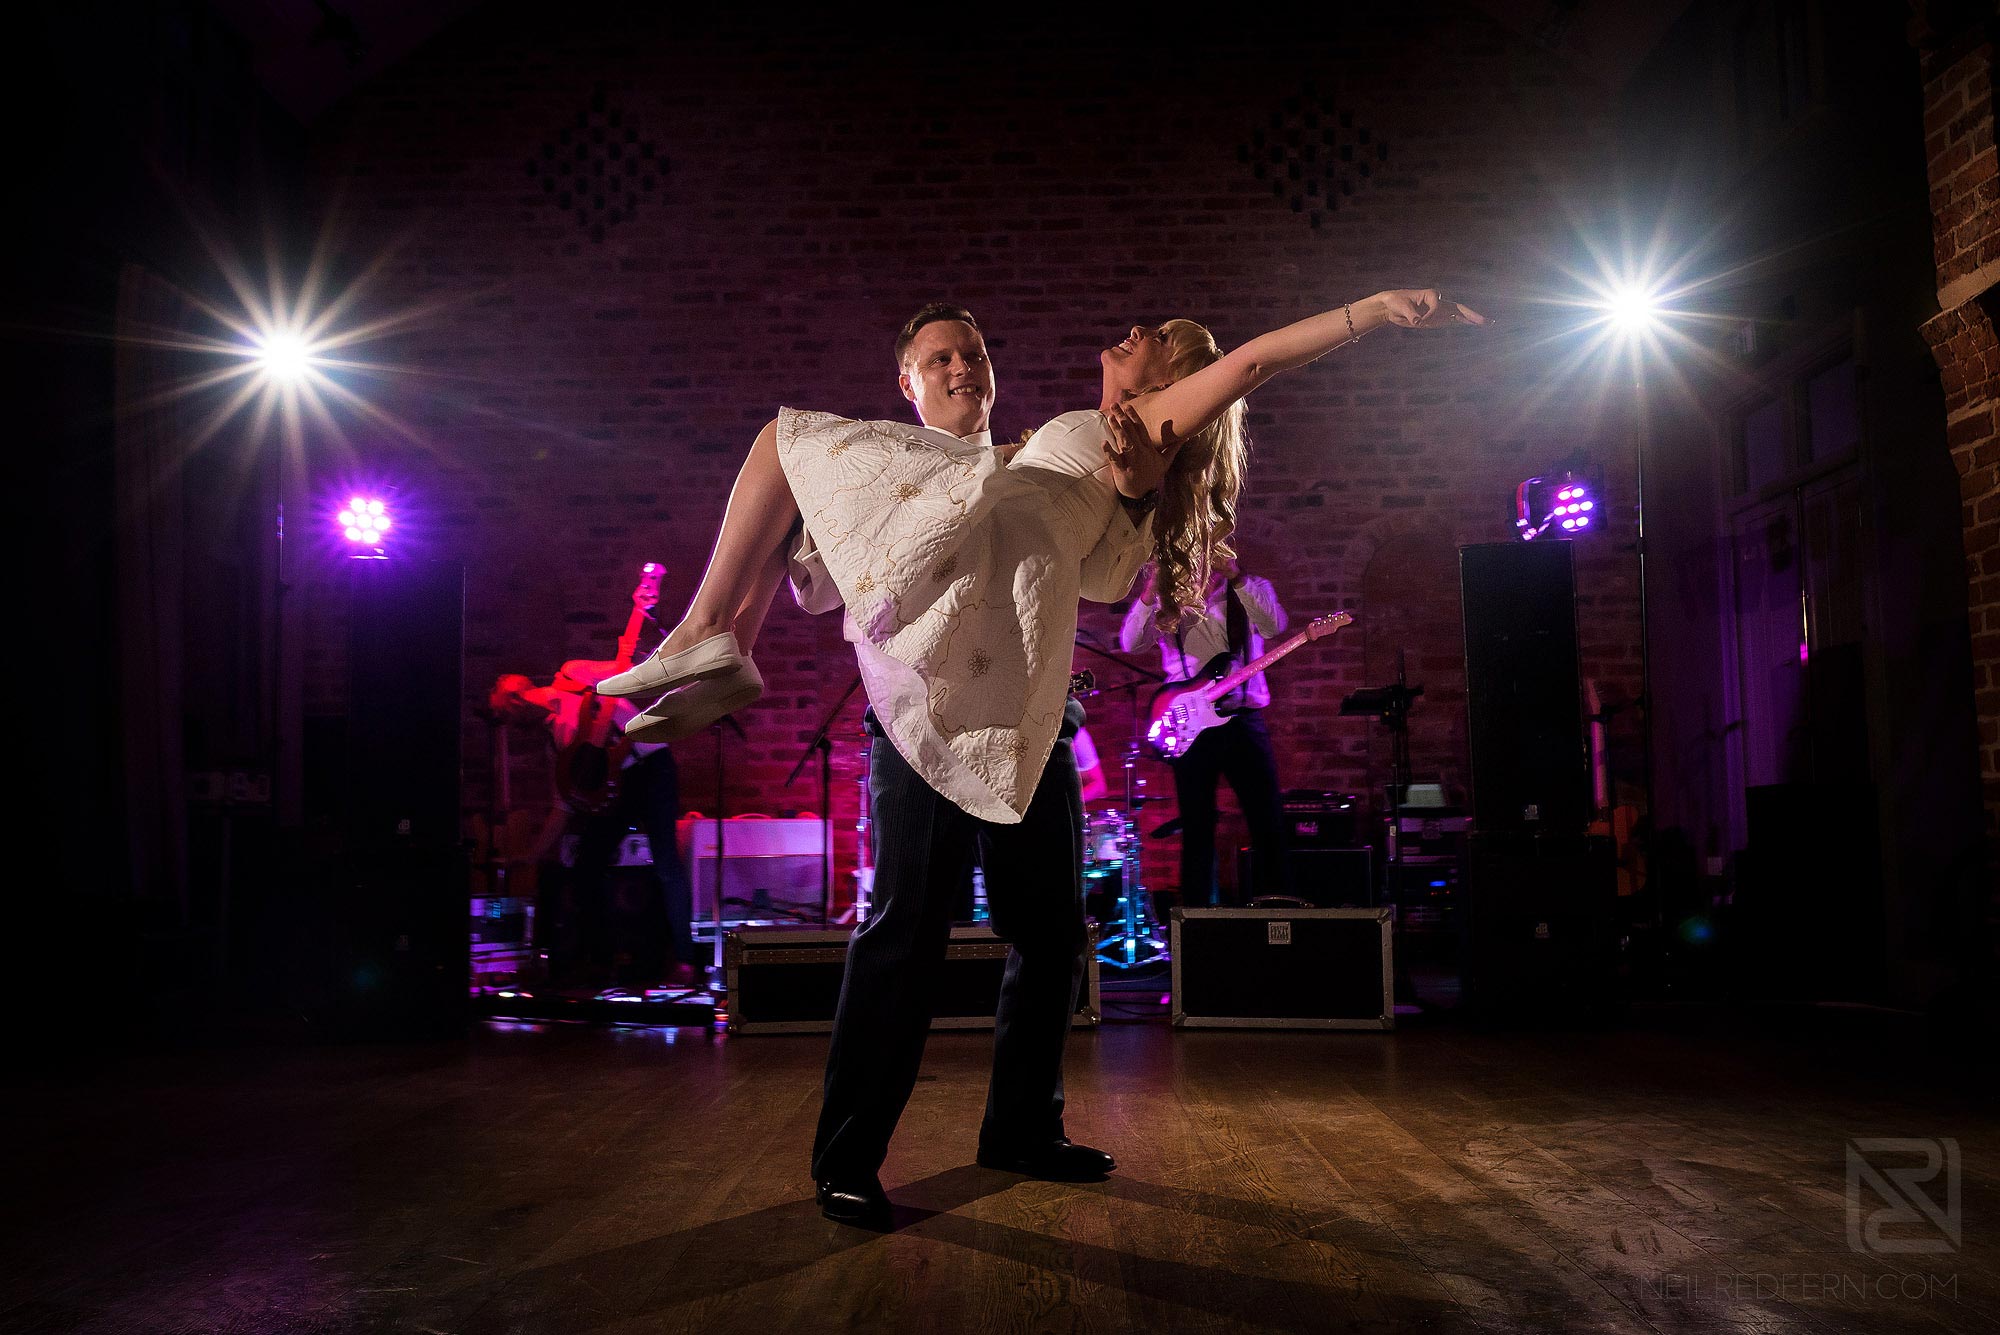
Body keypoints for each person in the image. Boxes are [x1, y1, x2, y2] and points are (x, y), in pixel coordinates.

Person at [602, 290, 1485, 1227]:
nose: (962, 367)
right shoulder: (982, 462)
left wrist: (1375, 310)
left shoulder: (1120, 430)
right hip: (924, 716)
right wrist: (1119, 494)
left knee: (1053, 933)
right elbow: (831, 581)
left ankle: (1022, 1127)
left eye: (974, 354)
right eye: (941, 357)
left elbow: (1246, 371)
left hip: (1029, 723)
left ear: (1169, 381)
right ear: (907, 383)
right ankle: (848, 1156)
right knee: (904, 934)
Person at [488, 666, 703, 990]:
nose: (513, 725)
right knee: (587, 866)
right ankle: (603, 963)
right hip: (618, 784)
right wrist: (531, 855)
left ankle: (685, 961)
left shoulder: (573, 676)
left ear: (516, 700)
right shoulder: (555, 742)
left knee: (666, 864)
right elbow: (563, 806)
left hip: (651, 768)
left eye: (507, 714)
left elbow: (623, 670)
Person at [1120, 554, 1290, 904]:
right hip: (1191, 722)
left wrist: (1236, 577)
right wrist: (1152, 588)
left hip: (1243, 717)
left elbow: (1274, 626)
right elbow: (1131, 643)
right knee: (1196, 824)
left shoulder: (1251, 587)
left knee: (1266, 816)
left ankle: (1276, 908)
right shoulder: (1171, 599)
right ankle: (1197, 916)